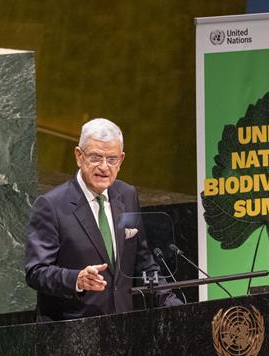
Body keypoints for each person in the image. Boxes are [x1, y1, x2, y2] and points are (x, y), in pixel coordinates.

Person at [25, 118, 182, 321]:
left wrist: (172, 304)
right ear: (78, 156)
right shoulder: (51, 205)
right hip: (73, 333)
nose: (104, 167)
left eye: (112, 159)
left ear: (121, 160)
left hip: (122, 329)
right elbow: (36, 272)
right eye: (95, 157)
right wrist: (77, 280)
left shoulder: (126, 195)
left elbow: (143, 263)